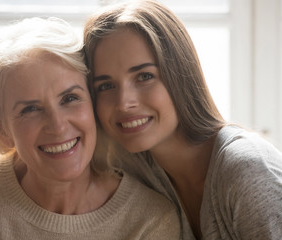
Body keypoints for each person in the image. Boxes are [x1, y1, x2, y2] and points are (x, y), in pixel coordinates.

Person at [0, 17, 181, 239]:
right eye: (30, 109)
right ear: (2, 129)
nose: (57, 126)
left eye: (70, 99)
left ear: (93, 104)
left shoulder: (149, 220)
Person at [83, 0, 282, 239]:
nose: (124, 102)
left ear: (180, 75)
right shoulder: (132, 170)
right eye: (105, 85)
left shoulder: (247, 169)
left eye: (145, 76)